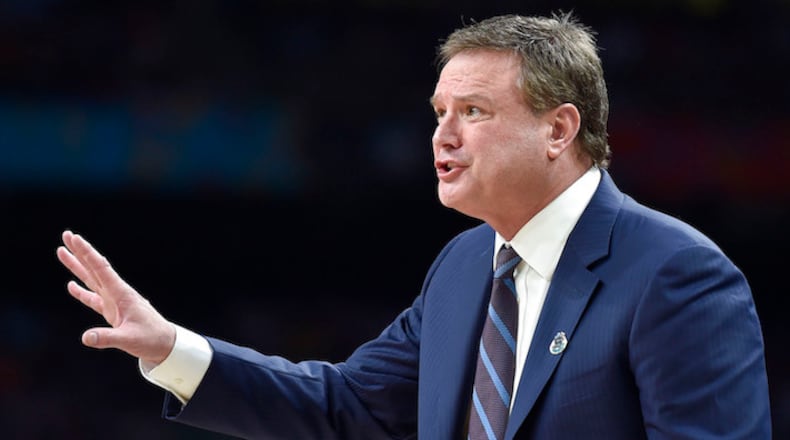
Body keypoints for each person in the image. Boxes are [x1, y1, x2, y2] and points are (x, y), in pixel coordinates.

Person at [57, 12, 771, 439]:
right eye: (439, 112)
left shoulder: (675, 275)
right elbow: (343, 408)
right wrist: (172, 347)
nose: (442, 136)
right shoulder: (464, 267)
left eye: (475, 113)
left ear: (559, 129)